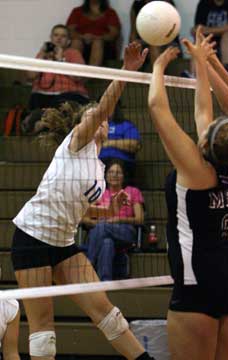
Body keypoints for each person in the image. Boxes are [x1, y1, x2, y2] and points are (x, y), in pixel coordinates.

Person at [11, 42, 154, 360]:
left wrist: (107, 211)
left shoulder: (101, 170)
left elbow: (80, 208)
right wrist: (126, 72)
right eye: (91, 116)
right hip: (31, 237)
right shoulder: (76, 142)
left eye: (99, 118)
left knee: (106, 311)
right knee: (43, 327)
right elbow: (102, 107)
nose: (97, 119)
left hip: (63, 243)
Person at [148, 27, 228, 359]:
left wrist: (158, 67)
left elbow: (158, 109)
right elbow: (204, 112)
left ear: (204, 142)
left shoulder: (195, 171)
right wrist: (200, 61)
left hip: (197, 282)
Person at [82, 159, 144, 281]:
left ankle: (88, 266)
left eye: (118, 172)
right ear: (105, 175)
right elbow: (84, 219)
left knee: (103, 227)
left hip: (125, 231)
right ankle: (105, 283)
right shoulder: (99, 193)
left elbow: (140, 219)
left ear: (124, 176)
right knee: (107, 243)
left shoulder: (132, 191)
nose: (114, 175)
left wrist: (117, 219)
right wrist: (98, 224)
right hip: (101, 231)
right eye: (111, 172)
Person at [26, 24, 89, 110]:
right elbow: (30, 76)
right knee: (35, 102)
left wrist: (61, 60)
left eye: (63, 36)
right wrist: (42, 56)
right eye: (56, 35)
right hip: (42, 94)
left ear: (68, 41)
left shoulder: (74, 53)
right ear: (51, 38)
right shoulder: (43, 54)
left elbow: (78, 77)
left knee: (60, 103)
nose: (59, 38)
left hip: (69, 93)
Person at [186, 0, 228, 78]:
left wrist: (206, 30)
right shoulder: (204, 3)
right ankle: (194, 76)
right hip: (210, 40)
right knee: (199, 41)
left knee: (227, 37)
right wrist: (197, 31)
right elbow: (198, 28)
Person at [66, 0, 121, 66]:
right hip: (81, 41)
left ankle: (91, 75)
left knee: (97, 42)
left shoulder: (110, 13)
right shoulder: (77, 11)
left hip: (104, 46)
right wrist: (82, 37)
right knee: (76, 42)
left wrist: (97, 37)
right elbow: (69, 31)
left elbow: (113, 34)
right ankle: (73, 73)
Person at [129, 0, 182, 68]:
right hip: (144, 40)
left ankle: (156, 75)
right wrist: (133, 45)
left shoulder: (166, 3)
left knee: (154, 44)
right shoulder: (137, 4)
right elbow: (133, 31)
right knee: (134, 46)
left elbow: (171, 30)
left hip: (166, 39)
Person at [99, 101, 141, 183]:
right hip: (98, 163)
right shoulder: (95, 126)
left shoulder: (126, 125)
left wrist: (110, 143)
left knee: (114, 167)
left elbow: (134, 145)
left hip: (121, 163)